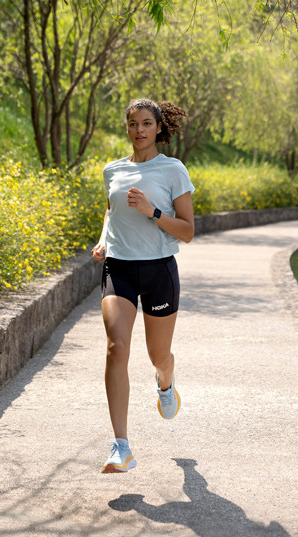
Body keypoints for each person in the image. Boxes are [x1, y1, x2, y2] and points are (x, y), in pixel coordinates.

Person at [92, 98, 195, 474]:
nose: (139, 130)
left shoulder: (173, 170)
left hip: (158, 271)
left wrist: (153, 212)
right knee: (116, 347)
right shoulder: (112, 170)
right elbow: (110, 210)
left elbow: (187, 231)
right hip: (119, 268)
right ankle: (121, 446)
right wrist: (104, 239)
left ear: (158, 127)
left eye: (146, 123)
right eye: (133, 123)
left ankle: (165, 382)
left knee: (158, 356)